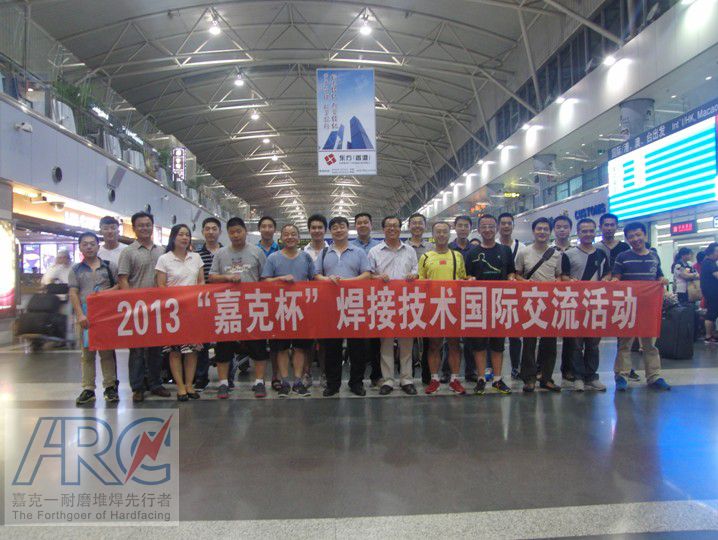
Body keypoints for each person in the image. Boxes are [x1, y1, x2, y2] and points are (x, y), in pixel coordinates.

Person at [209, 217, 269, 399]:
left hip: (253, 306)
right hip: (228, 306)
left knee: (258, 345)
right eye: (232, 232)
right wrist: (227, 277)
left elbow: (265, 278)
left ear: (245, 232)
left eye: (239, 231)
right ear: (227, 234)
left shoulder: (257, 252)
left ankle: (259, 382)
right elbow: (212, 277)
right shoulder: (221, 253)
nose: (235, 235)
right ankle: (223, 383)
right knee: (224, 347)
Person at [314, 216, 372, 397]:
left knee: (357, 347)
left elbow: (367, 274)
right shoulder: (325, 252)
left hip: (355, 304)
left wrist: (350, 282)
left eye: (342, 226)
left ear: (348, 229)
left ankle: (356, 383)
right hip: (331, 305)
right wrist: (327, 279)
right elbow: (316, 275)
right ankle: (333, 384)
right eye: (334, 227)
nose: (338, 230)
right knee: (332, 347)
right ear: (330, 232)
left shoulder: (358, 251)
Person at [118, 211, 171, 403]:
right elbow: (123, 279)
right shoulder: (128, 252)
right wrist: (131, 302)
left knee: (156, 350)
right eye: (140, 225)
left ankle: (155, 383)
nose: (145, 228)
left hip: (158, 308)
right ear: (134, 228)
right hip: (137, 309)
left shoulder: (162, 251)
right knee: (137, 351)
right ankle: (138, 387)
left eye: (148, 224)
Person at [612, 222, 671, 391]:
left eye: (638, 235)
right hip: (628, 306)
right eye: (631, 236)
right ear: (627, 239)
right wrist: (614, 282)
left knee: (650, 344)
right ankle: (622, 376)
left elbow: (659, 276)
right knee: (625, 343)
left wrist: (663, 280)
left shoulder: (654, 256)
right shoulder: (622, 257)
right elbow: (616, 277)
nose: (635, 239)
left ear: (645, 235)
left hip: (648, 307)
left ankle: (654, 376)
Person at [515, 217, 568, 393]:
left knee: (549, 343)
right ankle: (529, 378)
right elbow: (517, 274)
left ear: (550, 232)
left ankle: (546, 378)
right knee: (529, 342)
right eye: (539, 228)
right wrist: (525, 283)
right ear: (533, 231)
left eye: (546, 229)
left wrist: (557, 282)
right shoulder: (524, 253)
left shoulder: (556, 255)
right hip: (530, 303)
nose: (542, 232)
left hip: (550, 303)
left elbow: (559, 275)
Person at [261, 224, 314, 397]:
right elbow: (264, 281)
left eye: (293, 234)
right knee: (281, 348)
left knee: (300, 348)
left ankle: (298, 381)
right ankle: (284, 382)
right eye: (286, 234)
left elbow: (314, 280)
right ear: (281, 238)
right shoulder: (273, 258)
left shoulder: (306, 257)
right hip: (279, 308)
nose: (290, 237)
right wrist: (281, 279)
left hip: (302, 309)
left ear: (298, 237)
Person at [368, 215, 419, 396]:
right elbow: (368, 275)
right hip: (384, 301)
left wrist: (414, 276)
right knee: (386, 342)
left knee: (407, 341)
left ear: (400, 228)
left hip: (406, 301)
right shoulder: (374, 251)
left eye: (395, 225)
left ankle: (407, 379)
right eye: (388, 226)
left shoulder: (410, 250)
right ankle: (388, 380)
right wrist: (377, 277)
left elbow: (416, 271)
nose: (392, 228)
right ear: (383, 229)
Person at [464, 214, 514, 395]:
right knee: (479, 344)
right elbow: (467, 275)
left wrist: (511, 279)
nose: (488, 230)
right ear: (478, 229)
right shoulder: (472, 253)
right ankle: (481, 378)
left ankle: (498, 380)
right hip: (478, 304)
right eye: (484, 226)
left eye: (491, 226)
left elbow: (511, 272)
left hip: (500, 303)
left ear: (497, 228)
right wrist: (469, 279)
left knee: (498, 344)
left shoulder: (505, 251)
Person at [155, 224, 205, 401]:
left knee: (192, 350)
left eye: (187, 235)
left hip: (193, 310)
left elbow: (201, 282)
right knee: (175, 351)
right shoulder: (164, 259)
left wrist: (193, 296)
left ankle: (190, 384)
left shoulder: (196, 257)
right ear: (173, 237)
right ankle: (180, 386)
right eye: (181, 234)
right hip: (173, 312)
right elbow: (161, 286)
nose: (185, 238)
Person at [69, 232, 119, 405]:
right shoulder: (75, 270)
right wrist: (80, 315)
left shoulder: (109, 267)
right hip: (85, 317)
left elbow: (119, 286)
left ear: (98, 246)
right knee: (87, 354)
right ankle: (88, 388)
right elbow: (73, 293)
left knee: (107, 353)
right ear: (80, 247)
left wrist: (105, 293)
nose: (89, 247)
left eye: (92, 244)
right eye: (85, 244)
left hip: (105, 317)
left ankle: (110, 386)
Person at [420, 221, 468, 396]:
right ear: (433, 235)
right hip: (433, 307)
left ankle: (454, 379)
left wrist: (468, 280)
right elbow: (420, 282)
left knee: (454, 344)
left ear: (449, 234)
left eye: (444, 232)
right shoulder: (426, 257)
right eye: (438, 232)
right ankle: (434, 379)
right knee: (434, 345)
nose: (441, 235)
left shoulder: (457, 256)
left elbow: (463, 278)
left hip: (453, 306)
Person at [565, 218, 610, 391]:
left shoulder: (601, 254)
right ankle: (578, 376)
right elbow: (563, 276)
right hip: (576, 305)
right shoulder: (569, 254)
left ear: (595, 231)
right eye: (584, 231)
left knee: (593, 343)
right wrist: (570, 281)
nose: (588, 234)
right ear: (578, 232)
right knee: (576, 344)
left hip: (595, 305)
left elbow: (608, 274)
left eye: (591, 231)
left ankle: (591, 376)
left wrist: (606, 279)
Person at [596, 213, 640, 381]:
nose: (609, 228)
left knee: (624, 334)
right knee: (594, 334)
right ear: (601, 227)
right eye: (606, 225)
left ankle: (625, 369)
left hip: (621, 296)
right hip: (599, 296)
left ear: (616, 227)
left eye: (612, 225)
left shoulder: (625, 248)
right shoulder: (595, 248)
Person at [350, 212, 382, 387]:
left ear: (371, 225)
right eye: (359, 222)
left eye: (365, 222)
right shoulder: (350, 247)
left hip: (376, 299)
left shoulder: (379, 246)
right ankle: (357, 379)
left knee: (376, 339)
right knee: (358, 341)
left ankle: (376, 375)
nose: (362, 225)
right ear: (355, 226)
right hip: (355, 299)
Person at [194, 217, 223, 390]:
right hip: (203, 303)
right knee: (202, 341)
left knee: (224, 341)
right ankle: (201, 376)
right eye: (207, 229)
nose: (211, 232)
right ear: (203, 232)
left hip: (224, 302)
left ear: (220, 232)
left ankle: (226, 377)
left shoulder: (227, 252)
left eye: (214, 229)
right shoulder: (196, 256)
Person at [447, 215, 477, 382]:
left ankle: (470, 371)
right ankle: (447, 371)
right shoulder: (448, 248)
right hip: (451, 298)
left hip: (470, 298)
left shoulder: (475, 250)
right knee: (450, 338)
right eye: (460, 225)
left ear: (470, 228)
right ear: (455, 227)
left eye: (466, 226)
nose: (463, 228)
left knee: (470, 337)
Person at [498, 212, 525, 380]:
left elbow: (523, 271)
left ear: (513, 225)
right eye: (503, 223)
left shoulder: (522, 247)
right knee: (495, 334)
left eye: (509, 223)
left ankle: (516, 366)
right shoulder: (493, 245)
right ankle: (492, 368)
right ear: (498, 226)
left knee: (515, 334)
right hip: (496, 296)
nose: (506, 226)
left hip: (516, 297)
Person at [302, 214, 328, 389]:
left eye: (320, 227)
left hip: (327, 303)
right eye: (313, 227)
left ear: (325, 230)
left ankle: (325, 374)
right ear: (309, 230)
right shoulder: (302, 252)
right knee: (308, 341)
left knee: (326, 340)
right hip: (307, 302)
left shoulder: (331, 251)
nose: (317, 230)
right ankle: (307, 373)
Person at [257, 215, 281, 391]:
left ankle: (275, 375)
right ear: (259, 229)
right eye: (263, 226)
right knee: (257, 341)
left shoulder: (281, 250)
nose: (267, 229)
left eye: (270, 226)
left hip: (276, 301)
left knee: (275, 341)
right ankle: (259, 379)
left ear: (274, 229)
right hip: (255, 300)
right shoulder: (252, 250)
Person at [406, 213, 431, 385]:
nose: (416, 226)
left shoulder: (432, 248)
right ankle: (407, 377)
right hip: (406, 298)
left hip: (427, 298)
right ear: (409, 226)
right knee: (407, 339)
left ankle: (427, 375)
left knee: (428, 338)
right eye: (413, 223)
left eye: (420, 223)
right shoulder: (402, 247)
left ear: (425, 226)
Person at [552, 215, 576, 382]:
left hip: (571, 299)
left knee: (570, 337)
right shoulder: (548, 250)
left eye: (565, 227)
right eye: (558, 227)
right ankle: (543, 369)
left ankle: (568, 369)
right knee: (549, 337)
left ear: (570, 229)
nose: (562, 230)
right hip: (552, 298)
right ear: (554, 230)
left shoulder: (575, 251)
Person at [700, 243, 718, 344]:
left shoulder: (709, 262)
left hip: (711, 292)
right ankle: (708, 336)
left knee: (713, 313)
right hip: (712, 292)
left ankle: (712, 334)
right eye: (717, 251)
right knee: (711, 313)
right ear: (711, 252)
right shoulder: (709, 263)